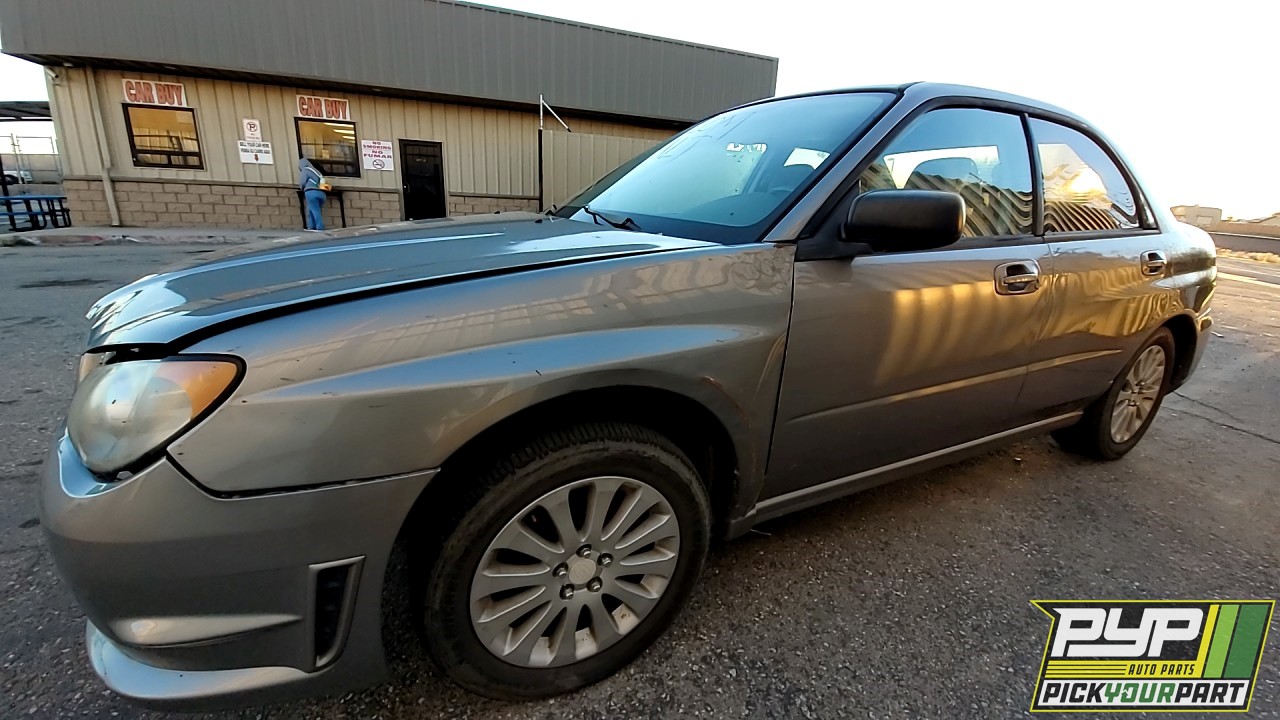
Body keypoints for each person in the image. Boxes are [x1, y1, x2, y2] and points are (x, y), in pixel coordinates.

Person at [298, 158, 326, 231]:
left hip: (311, 192)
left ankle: (319, 227)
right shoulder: (317, 172)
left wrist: (301, 188)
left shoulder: (305, 170)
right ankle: (311, 226)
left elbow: (302, 182)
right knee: (311, 209)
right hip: (322, 193)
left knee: (315, 210)